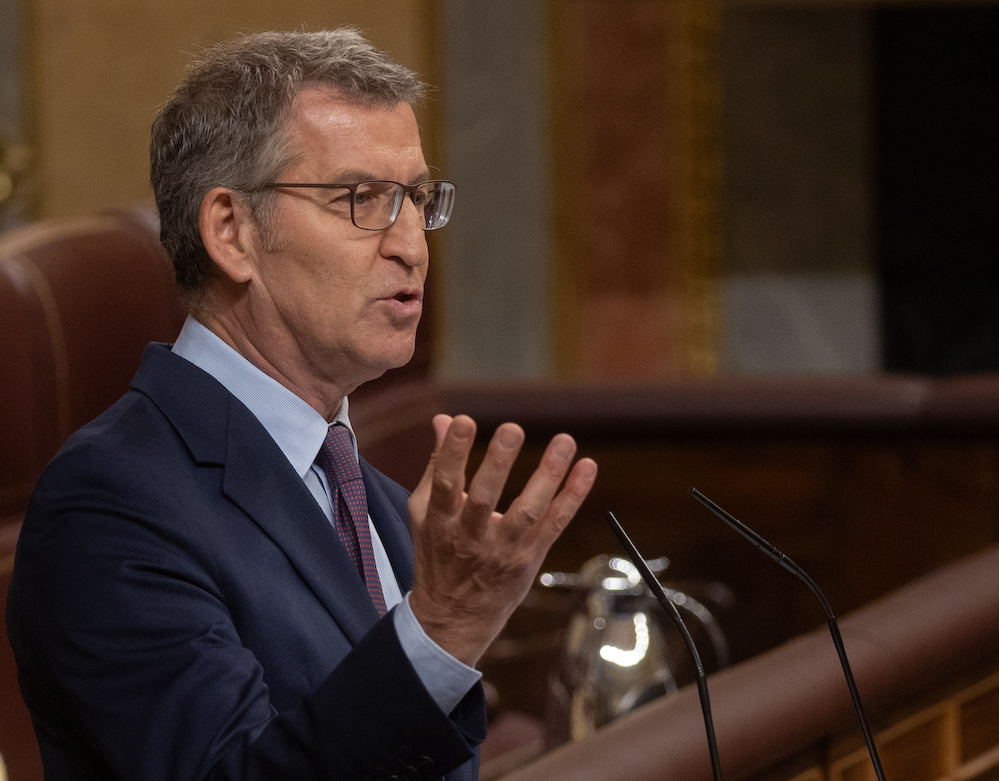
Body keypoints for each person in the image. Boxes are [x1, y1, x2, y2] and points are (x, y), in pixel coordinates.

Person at [6, 28, 597, 781]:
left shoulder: (374, 494)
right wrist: (442, 630)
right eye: (363, 199)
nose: (413, 244)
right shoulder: (109, 505)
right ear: (231, 231)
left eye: (416, 198)